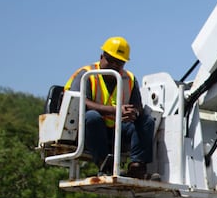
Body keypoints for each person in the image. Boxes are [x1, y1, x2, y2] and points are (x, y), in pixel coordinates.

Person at [65, 36, 155, 178]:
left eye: (119, 62)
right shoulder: (86, 74)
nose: (114, 65)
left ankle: (137, 167)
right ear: (101, 57)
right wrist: (115, 110)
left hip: (118, 130)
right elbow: (80, 102)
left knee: (146, 121)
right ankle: (104, 165)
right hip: (89, 131)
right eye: (110, 60)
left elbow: (137, 106)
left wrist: (134, 113)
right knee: (92, 117)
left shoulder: (129, 78)